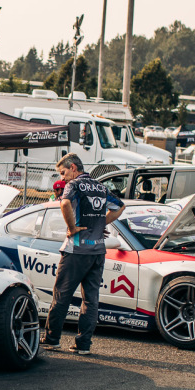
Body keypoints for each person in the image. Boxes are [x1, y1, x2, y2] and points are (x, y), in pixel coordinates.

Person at [42, 153, 125, 356]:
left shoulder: (75, 185)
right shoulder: (100, 186)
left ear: (73, 167)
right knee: (91, 299)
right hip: (97, 251)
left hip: (76, 249)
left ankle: (52, 339)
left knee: (62, 294)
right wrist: (100, 224)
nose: (62, 178)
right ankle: (84, 344)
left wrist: (72, 228)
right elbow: (120, 207)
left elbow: (64, 203)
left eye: (63, 173)